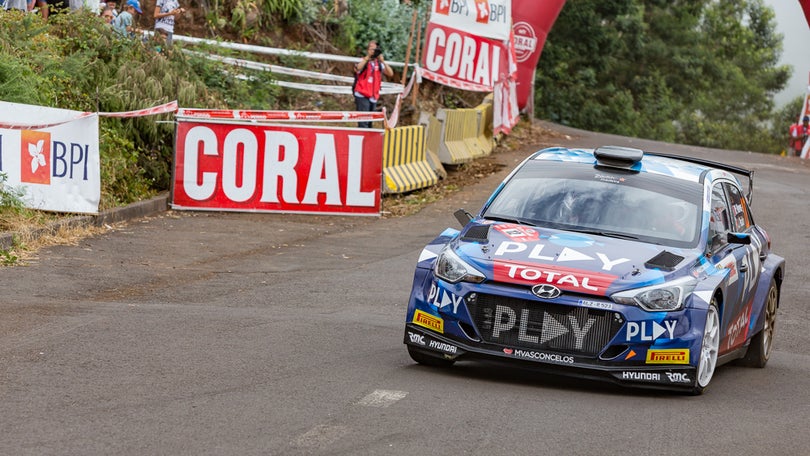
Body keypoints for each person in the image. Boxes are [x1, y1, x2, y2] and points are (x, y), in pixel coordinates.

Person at [353, 40, 393, 128]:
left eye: (375, 50)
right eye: (371, 49)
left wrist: (383, 61)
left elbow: (390, 73)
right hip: (362, 93)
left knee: (370, 122)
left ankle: (367, 140)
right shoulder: (363, 60)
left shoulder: (378, 63)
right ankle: (362, 140)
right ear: (367, 50)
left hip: (373, 96)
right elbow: (357, 68)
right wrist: (367, 57)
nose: (373, 51)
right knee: (363, 122)